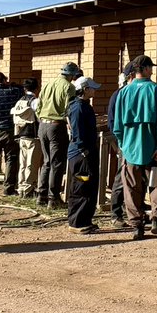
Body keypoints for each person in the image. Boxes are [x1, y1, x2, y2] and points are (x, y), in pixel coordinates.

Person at [111, 55, 157, 241]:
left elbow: (117, 126)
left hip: (130, 149)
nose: (152, 70)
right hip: (154, 148)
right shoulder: (156, 90)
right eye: (150, 67)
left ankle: (137, 226)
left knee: (131, 188)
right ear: (144, 69)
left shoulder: (123, 92)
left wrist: (123, 147)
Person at [37, 62, 81, 208]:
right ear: (72, 74)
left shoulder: (48, 84)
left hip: (43, 124)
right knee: (57, 163)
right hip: (56, 125)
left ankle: (41, 195)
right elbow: (70, 109)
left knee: (47, 161)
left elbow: (39, 105)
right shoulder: (69, 87)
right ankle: (53, 198)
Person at [66, 76, 102, 233]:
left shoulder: (83, 106)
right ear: (85, 89)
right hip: (81, 155)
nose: (94, 90)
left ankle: (86, 220)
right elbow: (77, 132)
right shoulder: (78, 108)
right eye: (92, 88)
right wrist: (84, 150)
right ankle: (77, 223)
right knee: (81, 187)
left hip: (86, 153)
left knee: (89, 187)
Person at [106, 64, 133, 228]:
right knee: (121, 178)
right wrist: (119, 143)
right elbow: (112, 121)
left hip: (137, 143)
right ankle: (116, 214)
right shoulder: (120, 94)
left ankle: (133, 212)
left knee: (136, 179)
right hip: (125, 143)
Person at [11, 77, 41, 198]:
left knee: (22, 163)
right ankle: (29, 189)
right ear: (37, 88)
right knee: (31, 164)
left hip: (21, 135)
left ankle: (21, 187)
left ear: (24, 88)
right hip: (33, 136)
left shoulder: (20, 101)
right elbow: (40, 117)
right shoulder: (35, 101)